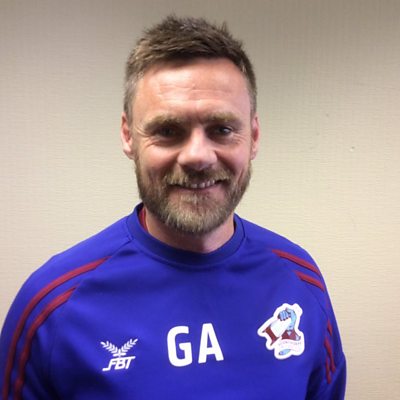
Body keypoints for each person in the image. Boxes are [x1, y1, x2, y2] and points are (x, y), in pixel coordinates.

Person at [0, 16, 346, 399]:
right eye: (167, 130)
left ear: (254, 136)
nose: (197, 156)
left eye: (222, 129)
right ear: (128, 135)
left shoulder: (300, 282)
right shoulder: (52, 307)